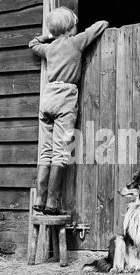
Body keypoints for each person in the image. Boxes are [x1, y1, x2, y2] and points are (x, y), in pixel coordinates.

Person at [29, 7, 109, 215]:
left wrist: (50, 35)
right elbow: (101, 25)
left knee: (45, 151)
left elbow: (33, 43)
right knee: (62, 151)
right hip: (65, 98)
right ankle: (53, 202)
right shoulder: (76, 42)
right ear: (70, 29)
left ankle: (40, 197)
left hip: (48, 98)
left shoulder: (49, 48)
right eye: (74, 24)